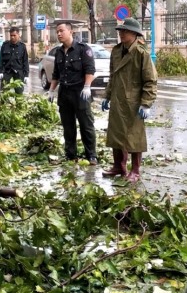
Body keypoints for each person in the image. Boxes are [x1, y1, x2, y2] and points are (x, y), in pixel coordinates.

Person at [101, 18, 158, 182]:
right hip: (118, 99)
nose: (121, 34)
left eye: (125, 31)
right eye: (120, 31)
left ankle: (135, 170)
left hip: (134, 102)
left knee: (134, 137)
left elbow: (150, 81)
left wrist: (146, 104)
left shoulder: (141, 53)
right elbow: (113, 75)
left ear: (134, 33)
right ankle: (119, 166)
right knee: (116, 134)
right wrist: (107, 95)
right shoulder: (117, 51)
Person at [46, 21, 97, 164]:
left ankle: (91, 155)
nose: (59, 34)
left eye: (61, 31)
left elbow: (90, 69)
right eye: (57, 32)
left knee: (86, 125)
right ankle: (71, 155)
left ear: (71, 32)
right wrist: (51, 90)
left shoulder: (82, 49)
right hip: (65, 93)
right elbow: (56, 73)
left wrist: (87, 86)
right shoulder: (58, 52)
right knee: (68, 126)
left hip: (80, 92)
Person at [0, 26, 29, 93]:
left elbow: (25, 61)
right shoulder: (5, 45)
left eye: (14, 35)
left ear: (18, 35)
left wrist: (26, 75)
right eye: (11, 35)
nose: (12, 37)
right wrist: (0, 71)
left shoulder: (22, 46)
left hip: (18, 73)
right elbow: (1, 59)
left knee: (19, 93)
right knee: (3, 92)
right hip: (7, 72)